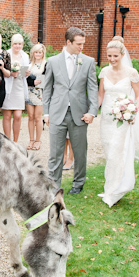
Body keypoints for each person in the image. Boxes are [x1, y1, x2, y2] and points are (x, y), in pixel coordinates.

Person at [43, 26, 98, 194]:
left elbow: (93, 88)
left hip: (80, 114)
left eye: (83, 44)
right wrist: (46, 113)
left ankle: (78, 184)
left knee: (80, 152)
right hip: (57, 114)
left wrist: (92, 111)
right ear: (68, 42)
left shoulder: (88, 62)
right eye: (79, 44)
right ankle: (54, 187)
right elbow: (47, 89)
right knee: (55, 154)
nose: (82, 47)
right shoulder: (52, 62)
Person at [97, 39, 139, 207]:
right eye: (109, 56)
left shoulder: (132, 73)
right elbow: (100, 96)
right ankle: (111, 186)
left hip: (123, 118)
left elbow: (138, 96)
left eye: (115, 56)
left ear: (123, 55)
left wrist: (132, 109)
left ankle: (114, 191)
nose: (112, 59)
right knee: (109, 152)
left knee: (118, 152)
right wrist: (93, 110)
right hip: (106, 119)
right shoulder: (104, 72)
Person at [2, 33, 29, 142]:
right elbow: (1, 70)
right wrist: (10, 74)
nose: (17, 46)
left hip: (19, 86)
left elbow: (24, 72)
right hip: (8, 85)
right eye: (15, 44)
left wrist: (26, 73)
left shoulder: (25, 56)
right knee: (7, 115)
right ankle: (8, 141)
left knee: (18, 115)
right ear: (11, 44)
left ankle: (16, 142)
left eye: (19, 44)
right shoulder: (6, 54)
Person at [25, 43, 47, 151]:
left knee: (38, 118)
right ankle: (31, 139)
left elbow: (48, 79)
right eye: (36, 52)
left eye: (40, 52)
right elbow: (22, 78)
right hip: (29, 92)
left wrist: (39, 83)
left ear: (43, 54)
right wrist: (32, 81)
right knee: (30, 117)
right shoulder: (28, 64)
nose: (38, 54)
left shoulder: (46, 65)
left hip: (40, 94)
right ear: (33, 53)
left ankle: (38, 140)